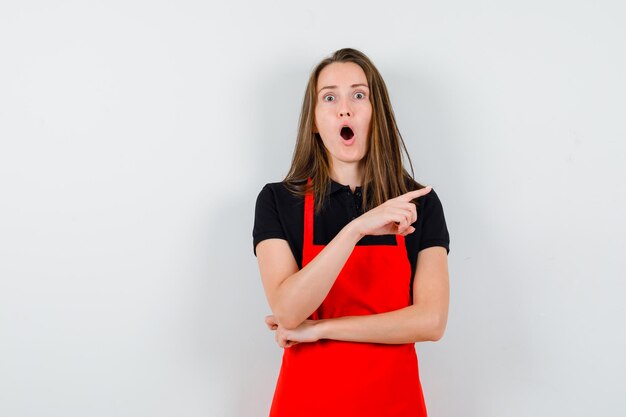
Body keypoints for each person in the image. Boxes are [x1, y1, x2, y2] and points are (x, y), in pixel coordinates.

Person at [253, 48, 450, 417]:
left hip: (395, 405)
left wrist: (321, 329)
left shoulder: (419, 203)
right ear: (314, 121)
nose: (345, 108)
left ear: (377, 115)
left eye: (359, 95)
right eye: (329, 97)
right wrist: (356, 229)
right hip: (307, 403)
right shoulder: (278, 201)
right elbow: (290, 309)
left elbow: (431, 321)